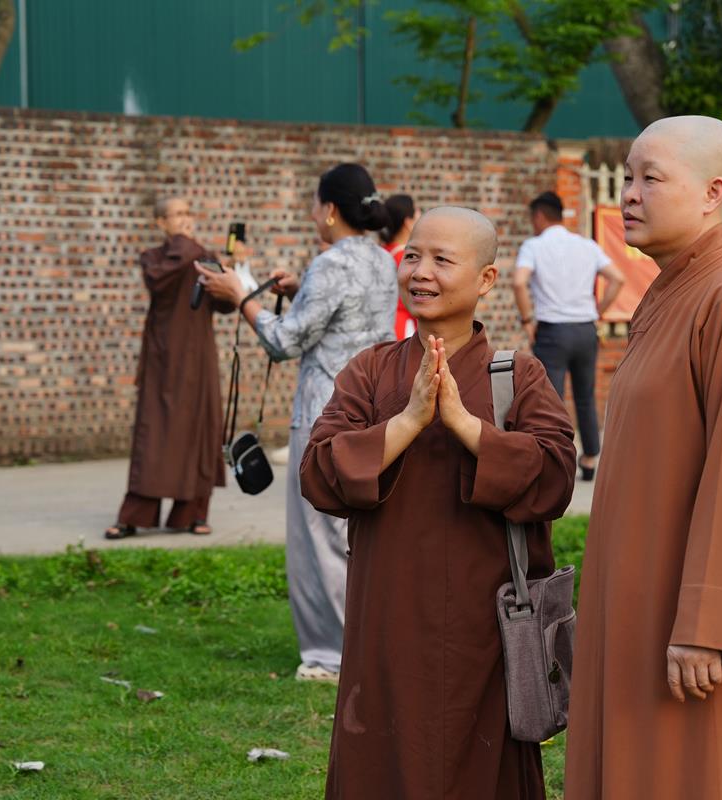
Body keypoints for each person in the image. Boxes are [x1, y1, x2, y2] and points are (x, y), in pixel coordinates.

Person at [564, 117, 722, 799]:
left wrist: (709, 625)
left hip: (689, 620)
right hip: (642, 599)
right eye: (627, 177)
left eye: (650, 178)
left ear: (713, 194)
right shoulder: (668, 295)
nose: (629, 194)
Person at [297, 206, 576, 799]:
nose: (421, 272)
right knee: (383, 751)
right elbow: (318, 473)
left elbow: (556, 476)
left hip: (484, 621)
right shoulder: (371, 371)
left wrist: (465, 425)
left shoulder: (517, 376)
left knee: (477, 759)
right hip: (387, 617)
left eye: (442, 260)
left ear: (486, 279)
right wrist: (407, 422)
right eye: (413, 257)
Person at [198, 163, 397, 684]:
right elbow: (343, 319)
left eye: (314, 204)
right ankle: (370, 641)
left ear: (330, 210)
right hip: (375, 411)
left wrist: (241, 297)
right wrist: (297, 290)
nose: (312, 213)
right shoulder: (382, 260)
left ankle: (331, 656)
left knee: (317, 539)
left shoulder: (329, 264)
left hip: (324, 415)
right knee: (359, 537)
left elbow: (285, 342)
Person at [104, 197, 236, 540]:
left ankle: (190, 514)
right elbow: (159, 280)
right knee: (155, 435)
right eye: (177, 214)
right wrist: (189, 245)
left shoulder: (202, 256)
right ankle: (135, 515)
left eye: (188, 213)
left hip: (198, 357)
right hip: (163, 357)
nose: (185, 219)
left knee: (197, 431)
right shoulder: (154, 258)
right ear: (160, 223)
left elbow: (224, 304)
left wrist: (229, 274)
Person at [513, 191, 625, 480]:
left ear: (539, 216)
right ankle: (589, 458)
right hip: (585, 329)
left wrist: (527, 320)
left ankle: (555, 459)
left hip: (553, 331)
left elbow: (519, 282)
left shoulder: (534, 246)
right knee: (585, 395)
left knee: (551, 398)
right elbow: (618, 278)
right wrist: (598, 312)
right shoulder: (587, 245)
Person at [380, 193, 420, 339]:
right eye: (417, 216)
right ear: (408, 222)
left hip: (382, 322)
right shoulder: (408, 258)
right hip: (403, 326)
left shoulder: (382, 252)